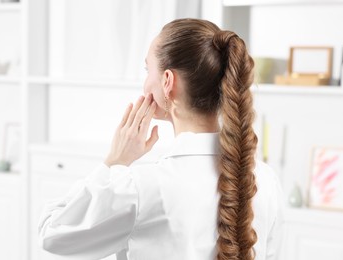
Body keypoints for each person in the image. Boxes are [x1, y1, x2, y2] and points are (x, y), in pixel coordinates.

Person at [38, 18, 283, 260]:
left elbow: (52, 232)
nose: (145, 83)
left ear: (168, 82)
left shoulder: (141, 188)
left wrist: (114, 162)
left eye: (148, 70)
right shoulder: (266, 180)